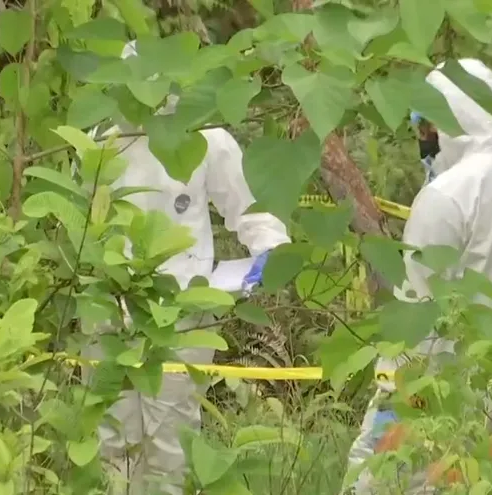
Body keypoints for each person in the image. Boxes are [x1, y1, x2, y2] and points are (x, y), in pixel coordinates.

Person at [344, 59, 492, 494]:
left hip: (443, 401)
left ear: (452, 119)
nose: (424, 142)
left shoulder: (446, 197)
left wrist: (375, 442)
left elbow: (414, 326)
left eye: (427, 127)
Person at [83, 41, 291, 495]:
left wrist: (270, 248)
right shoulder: (103, 139)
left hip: (182, 306)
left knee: (170, 439)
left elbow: (249, 204)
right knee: (111, 434)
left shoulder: (204, 135)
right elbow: (84, 224)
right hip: (108, 306)